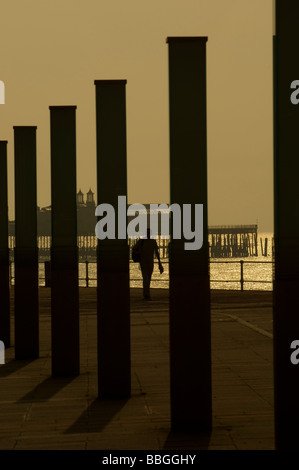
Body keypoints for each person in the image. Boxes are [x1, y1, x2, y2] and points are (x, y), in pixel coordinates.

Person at [138, 228, 163, 300]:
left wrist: (159, 263)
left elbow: (156, 253)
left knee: (147, 278)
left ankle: (146, 294)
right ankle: (146, 294)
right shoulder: (148, 241)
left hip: (147, 262)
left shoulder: (142, 241)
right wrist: (159, 262)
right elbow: (157, 252)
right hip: (145, 262)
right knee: (146, 278)